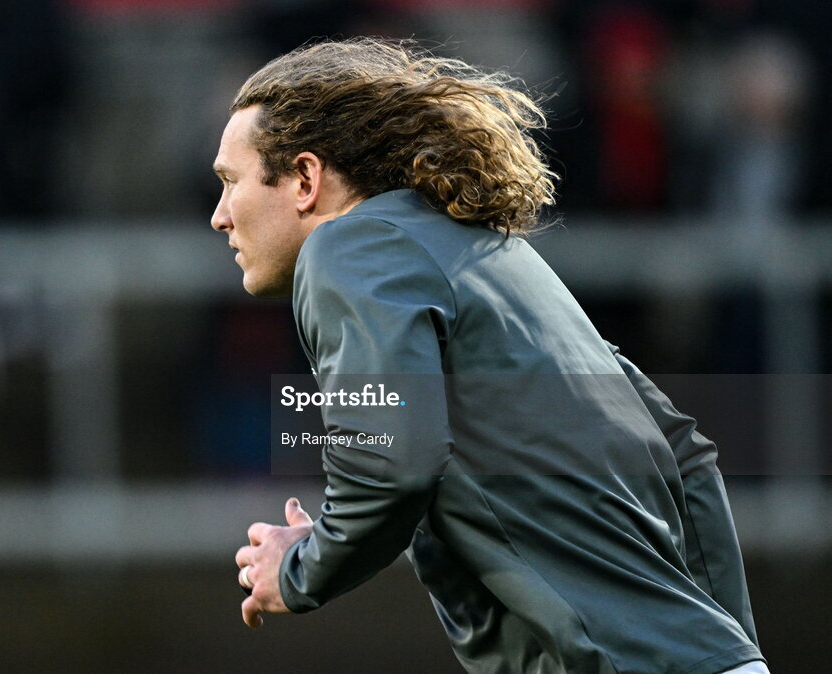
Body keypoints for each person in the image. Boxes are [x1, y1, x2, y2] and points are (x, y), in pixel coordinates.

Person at [216, 38, 767, 673]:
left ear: (306, 180)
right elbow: (685, 457)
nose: (220, 216)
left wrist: (300, 571)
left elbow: (393, 463)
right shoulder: (491, 254)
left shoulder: (345, 249)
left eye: (231, 182)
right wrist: (728, 653)